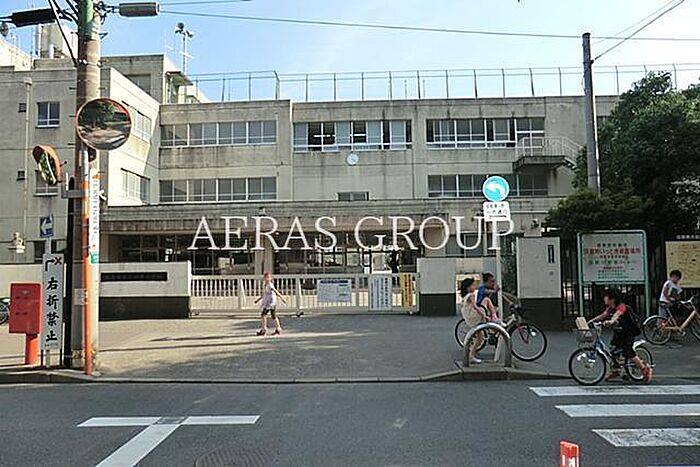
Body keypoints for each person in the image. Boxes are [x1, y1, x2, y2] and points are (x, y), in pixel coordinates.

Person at [588, 288, 652, 383]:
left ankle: (645, 370)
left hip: (629, 332)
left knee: (628, 352)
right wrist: (592, 321)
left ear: (612, 299)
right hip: (619, 332)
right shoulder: (610, 308)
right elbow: (603, 315)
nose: (604, 298)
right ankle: (616, 370)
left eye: (606, 296)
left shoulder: (621, 306)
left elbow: (617, 315)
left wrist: (611, 321)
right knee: (613, 350)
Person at [460, 278, 489, 364]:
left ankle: (471, 355)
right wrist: (484, 315)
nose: (475, 286)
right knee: (486, 300)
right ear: (468, 287)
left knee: (480, 338)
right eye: (473, 285)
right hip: (474, 316)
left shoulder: (465, 296)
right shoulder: (471, 295)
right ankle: (495, 318)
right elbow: (475, 306)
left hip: (468, 317)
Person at [254, 272, 287, 336]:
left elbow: (275, 291)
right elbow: (264, 294)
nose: (267, 279)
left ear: (270, 278)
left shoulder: (270, 285)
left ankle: (264, 330)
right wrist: (258, 300)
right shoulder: (266, 285)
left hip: (270, 302)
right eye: (266, 277)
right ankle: (278, 329)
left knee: (263, 314)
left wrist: (282, 298)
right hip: (270, 302)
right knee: (273, 315)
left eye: (268, 277)